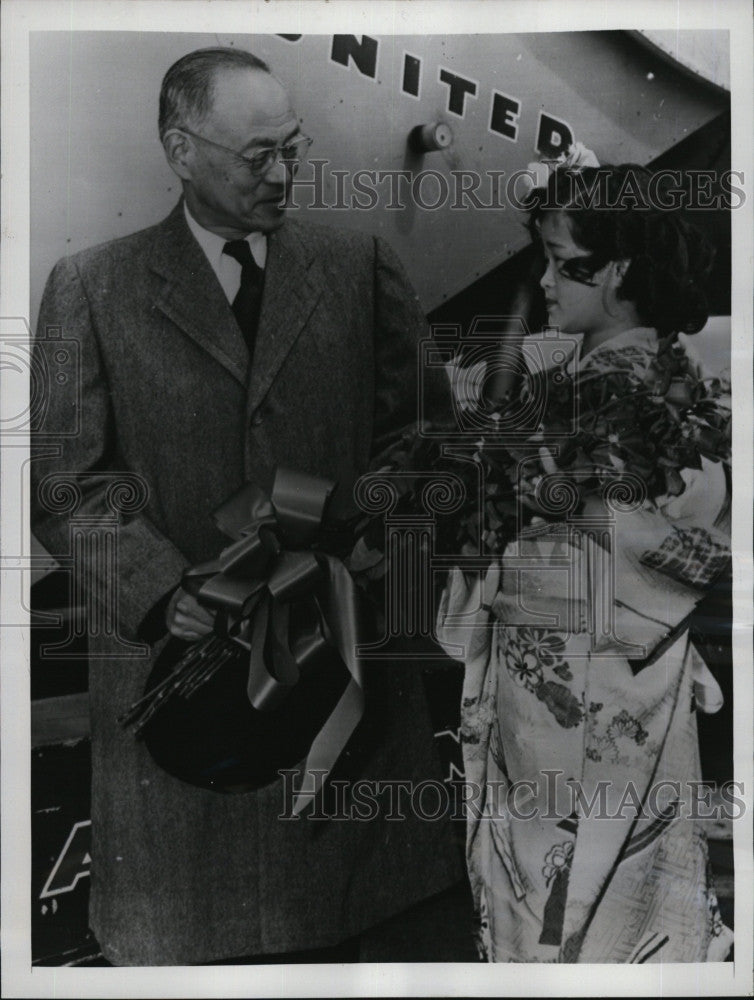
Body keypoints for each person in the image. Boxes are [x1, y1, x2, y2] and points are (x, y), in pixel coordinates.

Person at [30, 47, 462, 966]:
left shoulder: (362, 264)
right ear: (181, 150)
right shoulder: (89, 288)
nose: (283, 173)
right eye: (255, 155)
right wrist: (159, 591)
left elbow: (427, 441)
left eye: (292, 148)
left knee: (367, 943)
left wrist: (378, 545)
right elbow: (64, 481)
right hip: (180, 710)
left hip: (347, 719)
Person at [437, 161, 733, 962]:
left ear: (620, 272)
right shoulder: (673, 385)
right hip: (606, 682)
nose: (543, 279)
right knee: (604, 919)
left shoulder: (630, 398)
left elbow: (682, 542)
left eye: (563, 260)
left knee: (563, 922)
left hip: (583, 688)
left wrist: (510, 508)